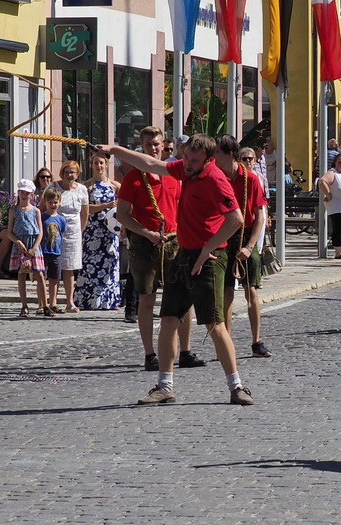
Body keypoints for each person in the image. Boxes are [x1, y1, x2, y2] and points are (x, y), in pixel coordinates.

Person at [98, 135, 251, 406]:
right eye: (186, 158)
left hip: (209, 260)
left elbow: (235, 219)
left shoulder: (216, 179)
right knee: (168, 320)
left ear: (208, 159)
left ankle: (237, 387)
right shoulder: (185, 169)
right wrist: (114, 149)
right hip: (183, 256)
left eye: (194, 160)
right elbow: (148, 162)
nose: (187, 164)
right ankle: (164, 385)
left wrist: (207, 249)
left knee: (215, 325)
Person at [116, 128, 196, 370]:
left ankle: (185, 351)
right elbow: (122, 214)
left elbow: (185, 208)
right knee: (147, 298)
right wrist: (145, 233)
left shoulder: (174, 174)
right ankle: (150, 354)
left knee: (182, 298)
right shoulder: (133, 178)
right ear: (142, 147)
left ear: (164, 146)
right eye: (149, 144)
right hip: (144, 243)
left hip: (174, 241)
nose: (154, 148)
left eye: (157, 144)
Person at [217, 137, 270, 357]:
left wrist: (249, 246)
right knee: (226, 292)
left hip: (245, 235)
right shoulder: (217, 178)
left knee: (251, 290)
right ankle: (226, 341)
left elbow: (259, 216)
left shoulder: (251, 179)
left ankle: (256, 341)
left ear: (229, 155)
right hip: (223, 235)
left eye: (217, 154)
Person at [75, 153, 123, 310]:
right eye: (95, 163)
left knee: (110, 264)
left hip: (110, 231)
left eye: (101, 163)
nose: (99, 166)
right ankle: (87, 299)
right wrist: (106, 205)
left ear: (106, 164)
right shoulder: (87, 186)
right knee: (90, 264)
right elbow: (85, 209)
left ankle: (110, 300)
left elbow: (124, 204)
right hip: (93, 230)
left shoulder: (114, 185)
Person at [53, 160, 90, 312]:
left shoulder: (81, 190)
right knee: (54, 266)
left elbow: (84, 213)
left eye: (72, 172)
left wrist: (80, 230)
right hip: (55, 231)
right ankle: (52, 302)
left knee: (69, 268)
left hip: (74, 232)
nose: (69, 175)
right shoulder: (54, 187)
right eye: (67, 172)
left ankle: (70, 302)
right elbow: (43, 208)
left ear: (77, 174)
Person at [10, 179, 47, 318]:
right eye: (22, 193)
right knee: (21, 274)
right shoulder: (14, 211)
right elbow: (9, 231)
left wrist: (35, 246)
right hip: (20, 244)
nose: (24, 195)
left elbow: (40, 231)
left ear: (31, 195)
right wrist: (18, 242)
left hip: (33, 243)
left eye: (27, 193)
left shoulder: (36, 211)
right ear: (18, 193)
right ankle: (24, 305)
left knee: (39, 274)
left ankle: (44, 305)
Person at [38, 186, 67, 316]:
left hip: (56, 252)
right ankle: (41, 304)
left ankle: (53, 303)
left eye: (55, 202)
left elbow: (62, 233)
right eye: (50, 202)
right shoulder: (42, 217)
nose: (53, 205)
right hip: (43, 251)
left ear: (59, 202)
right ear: (45, 202)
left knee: (54, 278)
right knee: (41, 279)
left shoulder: (61, 219)